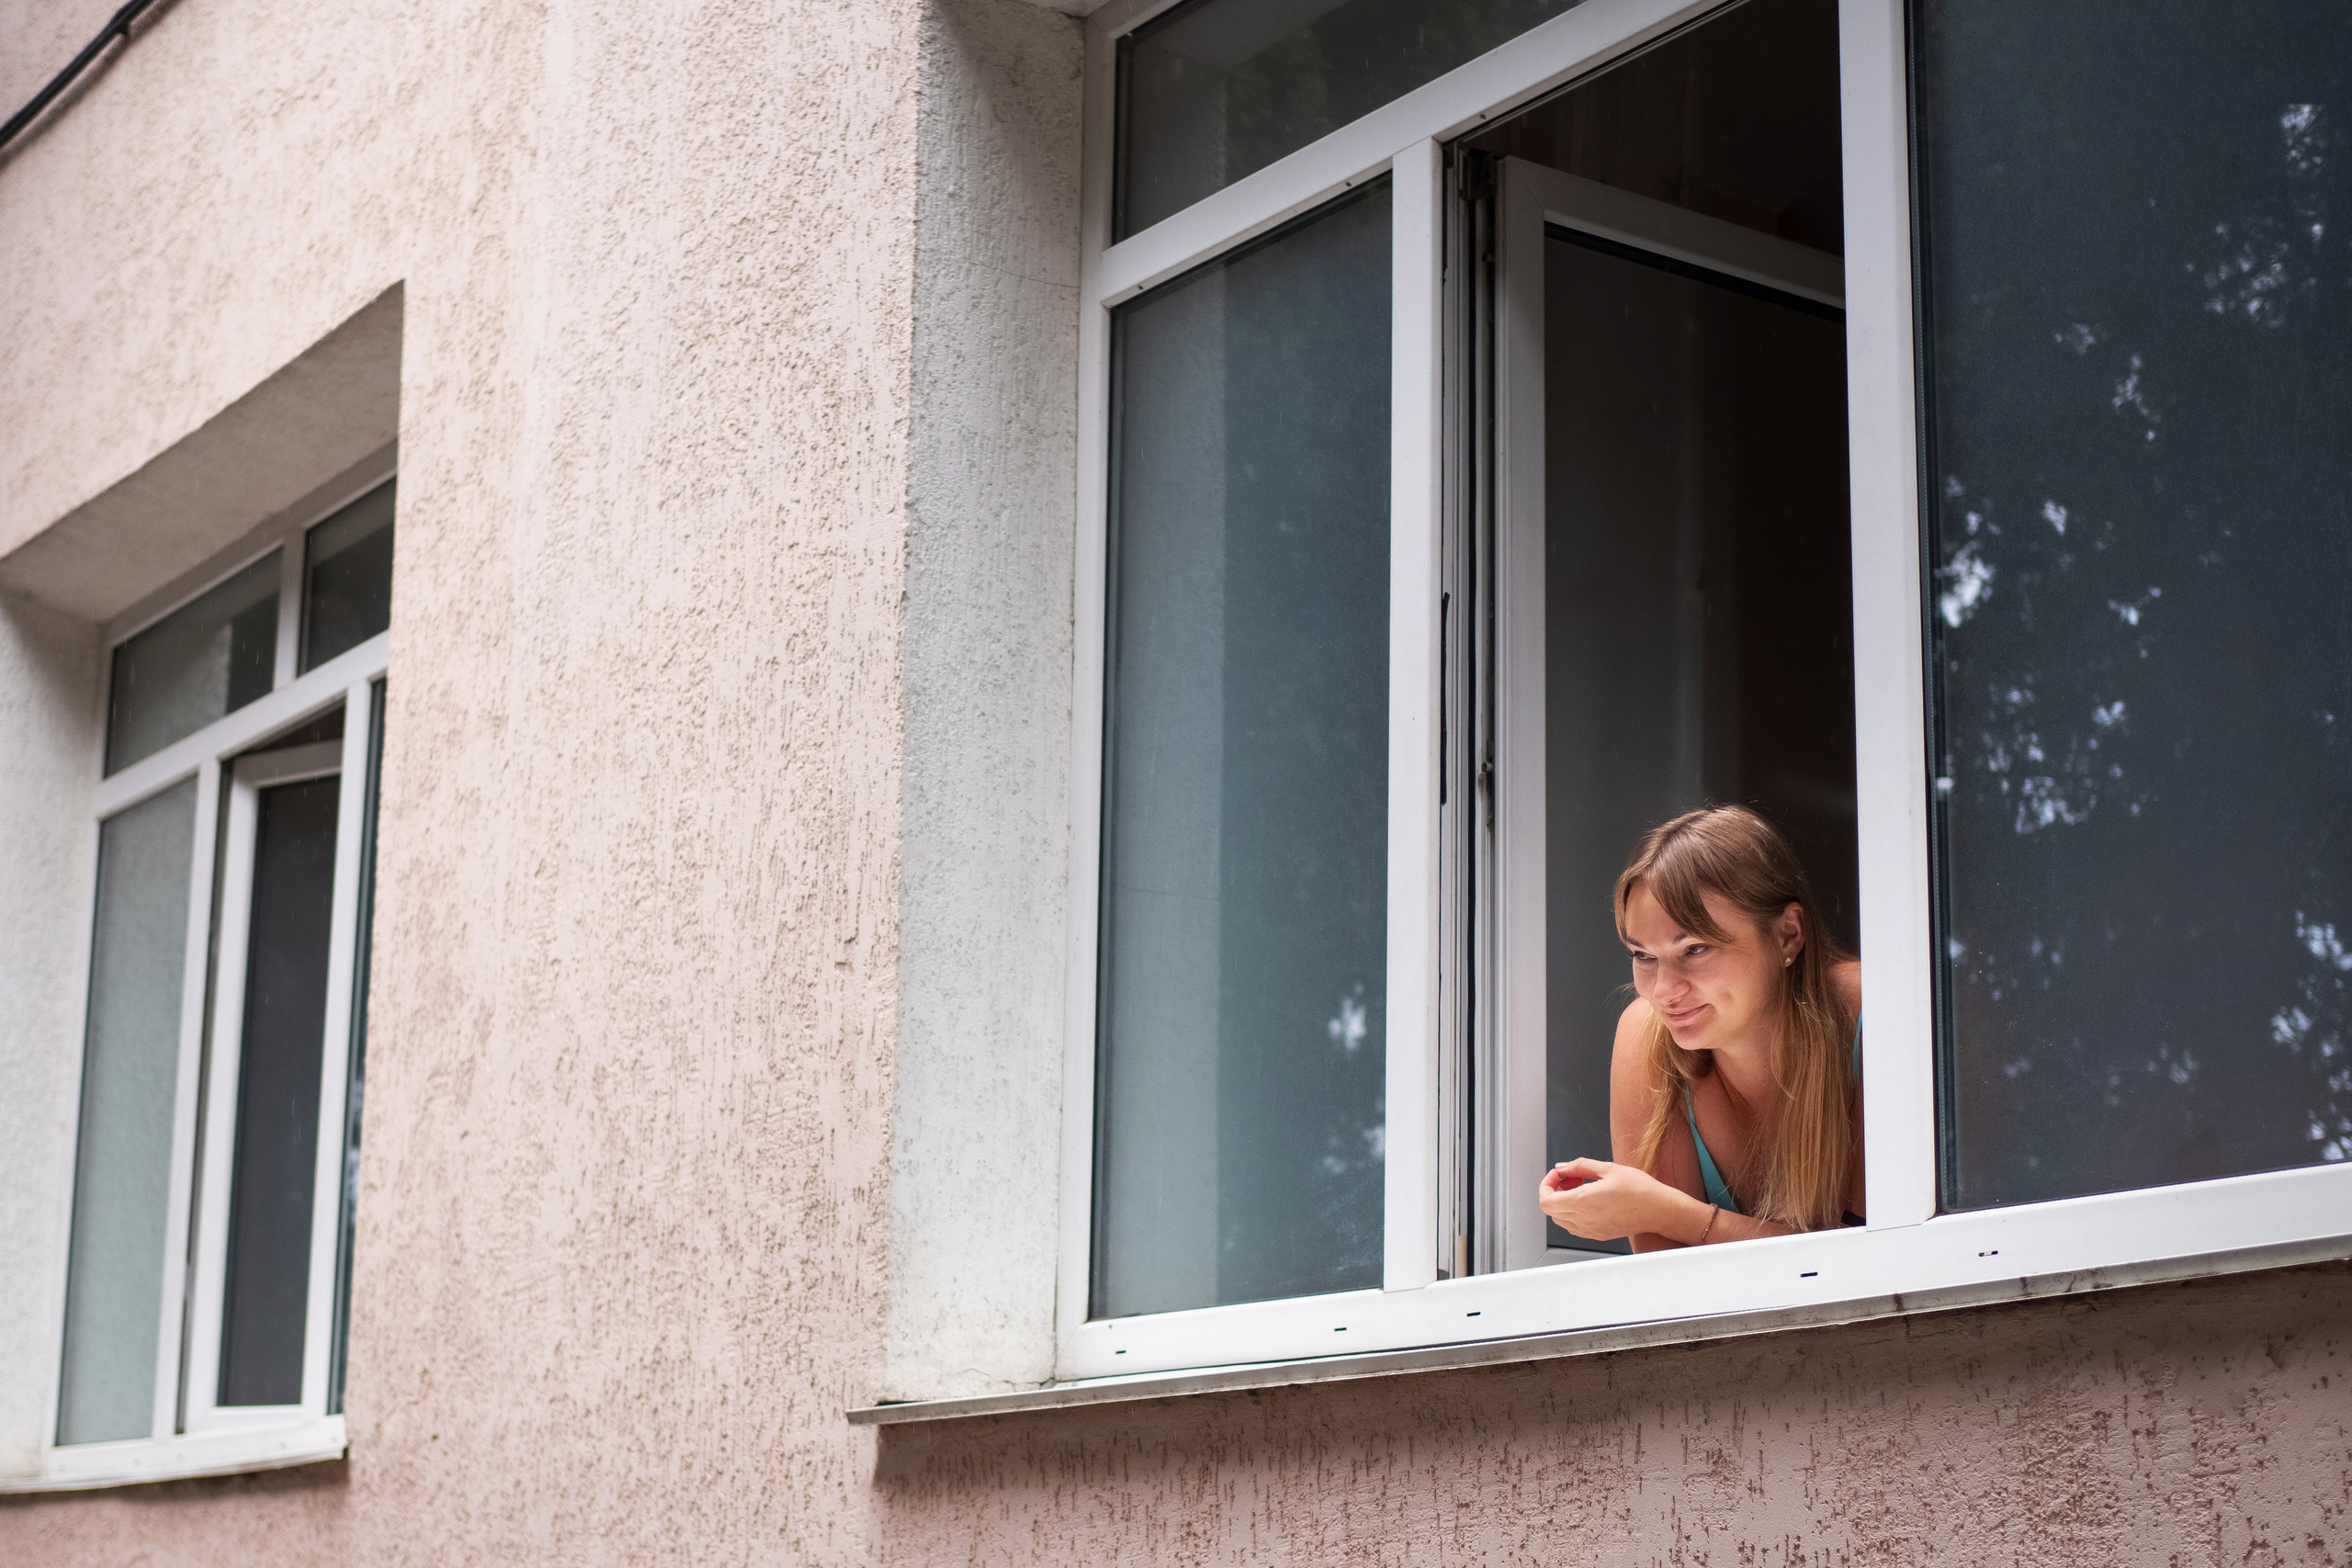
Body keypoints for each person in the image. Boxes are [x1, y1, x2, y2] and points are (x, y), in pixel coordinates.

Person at [1537, 805, 1863, 1249]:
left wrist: (1665, 1212)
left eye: (1695, 948)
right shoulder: (1646, 1036)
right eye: (1643, 956)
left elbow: (1874, 1266)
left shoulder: (1872, 1017)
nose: (1664, 990)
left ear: (1788, 934)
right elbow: (1669, 1282)